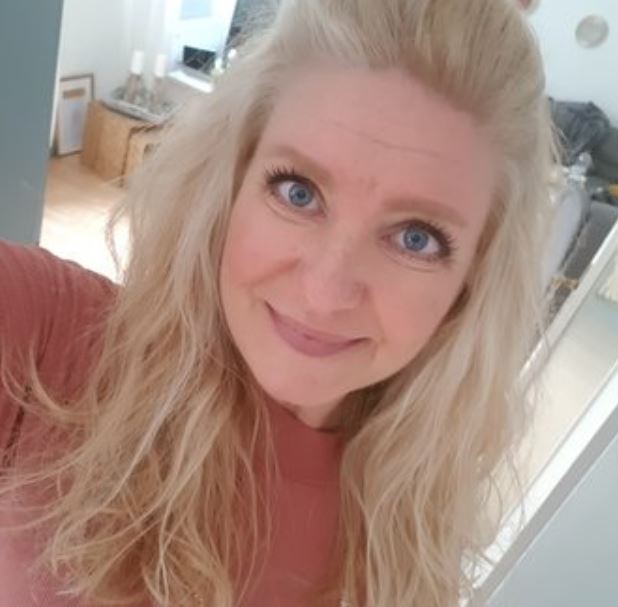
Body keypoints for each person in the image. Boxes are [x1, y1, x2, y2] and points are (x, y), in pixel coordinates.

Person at [0, 0, 558, 606]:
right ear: (230, 181)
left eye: (415, 238)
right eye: (298, 192)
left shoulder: (414, 520)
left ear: (473, 279)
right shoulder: (47, 348)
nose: (325, 292)